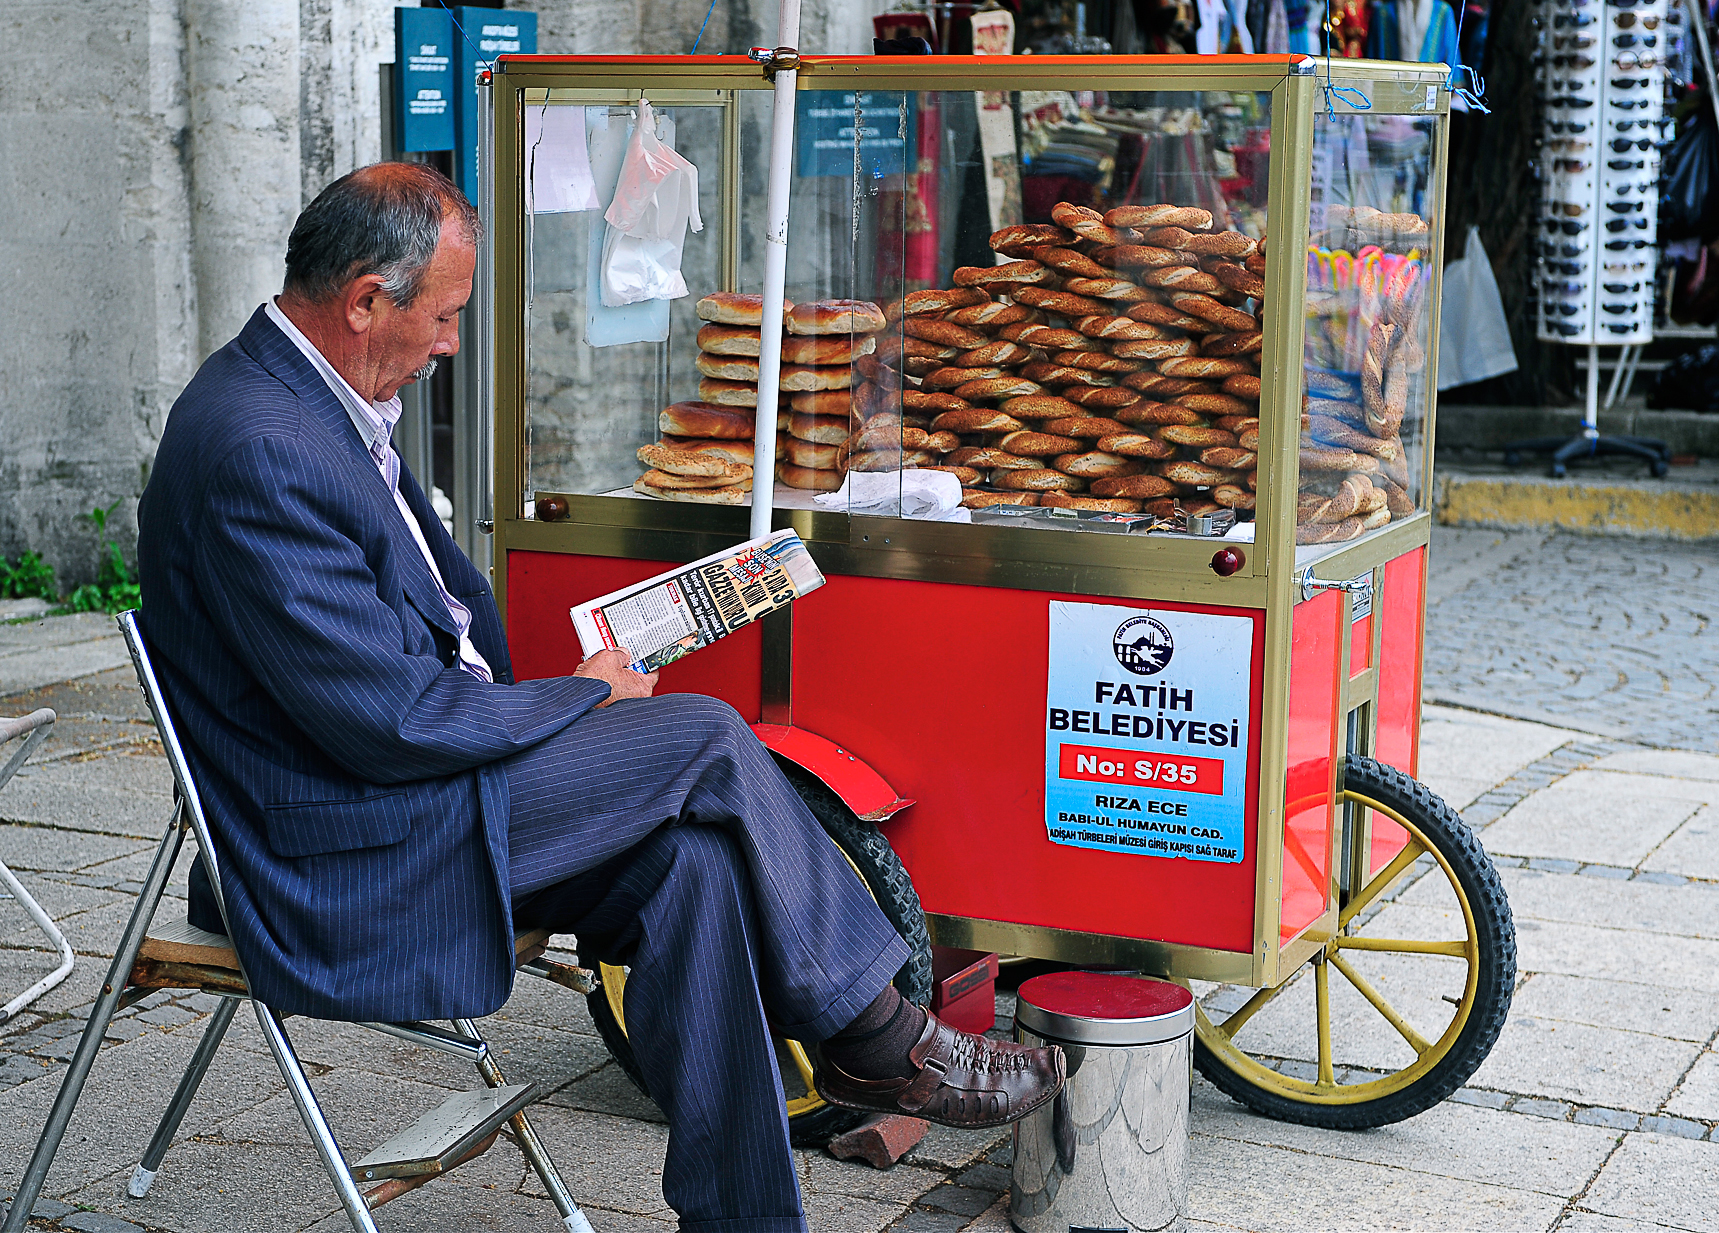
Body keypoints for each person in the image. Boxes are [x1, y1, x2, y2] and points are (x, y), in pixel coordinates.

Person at [136, 162, 1063, 1231]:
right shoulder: (260, 443)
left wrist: (567, 702)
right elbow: (387, 721)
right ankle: (882, 1038)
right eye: (444, 317)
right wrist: (579, 699)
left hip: (419, 790)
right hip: (346, 847)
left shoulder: (311, 398)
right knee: (704, 736)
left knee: (698, 868)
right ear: (364, 301)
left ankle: (750, 1218)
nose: (450, 344)